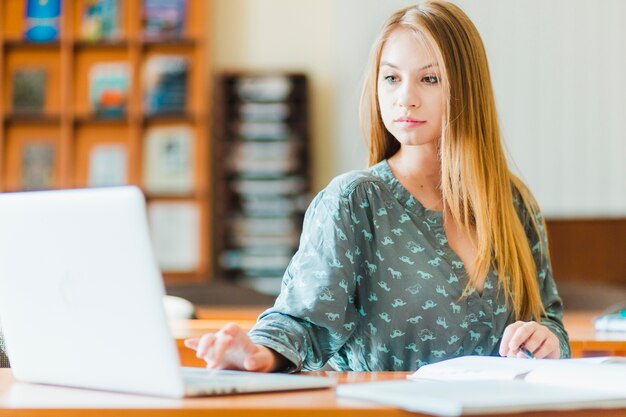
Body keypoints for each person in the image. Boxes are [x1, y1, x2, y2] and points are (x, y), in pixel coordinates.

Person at [185, 1, 570, 372]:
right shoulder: (354, 201)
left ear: (467, 88)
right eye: (391, 78)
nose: (406, 98)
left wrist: (546, 340)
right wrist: (255, 353)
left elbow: (549, 320)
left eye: (429, 78)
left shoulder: (513, 202)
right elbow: (302, 323)